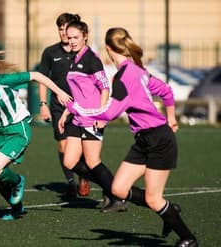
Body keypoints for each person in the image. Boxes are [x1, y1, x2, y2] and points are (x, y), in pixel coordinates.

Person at [60, 27, 198, 247]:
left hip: (159, 140)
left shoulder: (124, 77)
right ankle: (168, 209)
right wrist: (171, 117)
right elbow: (166, 92)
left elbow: (109, 113)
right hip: (143, 140)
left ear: (108, 49)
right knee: (118, 189)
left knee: (153, 199)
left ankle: (188, 237)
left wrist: (74, 108)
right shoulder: (137, 71)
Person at [0, 51, 71, 221]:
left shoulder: (2, 81)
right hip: (0, 133)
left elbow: (37, 75)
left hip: (18, 128)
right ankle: (17, 208)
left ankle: (17, 182)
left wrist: (58, 92)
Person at [57, 20, 127, 213]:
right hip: (77, 117)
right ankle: (111, 187)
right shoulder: (73, 59)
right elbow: (77, 93)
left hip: (92, 118)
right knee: (69, 161)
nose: (71, 41)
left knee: (92, 161)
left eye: (75, 37)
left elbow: (105, 88)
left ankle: (117, 196)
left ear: (85, 36)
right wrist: (65, 113)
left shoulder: (91, 59)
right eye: (69, 37)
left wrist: (103, 115)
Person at [38, 13, 91, 197]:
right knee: (63, 146)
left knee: (80, 146)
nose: (63, 32)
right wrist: (43, 104)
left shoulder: (83, 53)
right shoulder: (50, 52)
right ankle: (70, 183)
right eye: (60, 28)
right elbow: (42, 79)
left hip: (80, 107)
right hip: (58, 106)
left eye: (66, 28)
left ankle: (84, 177)